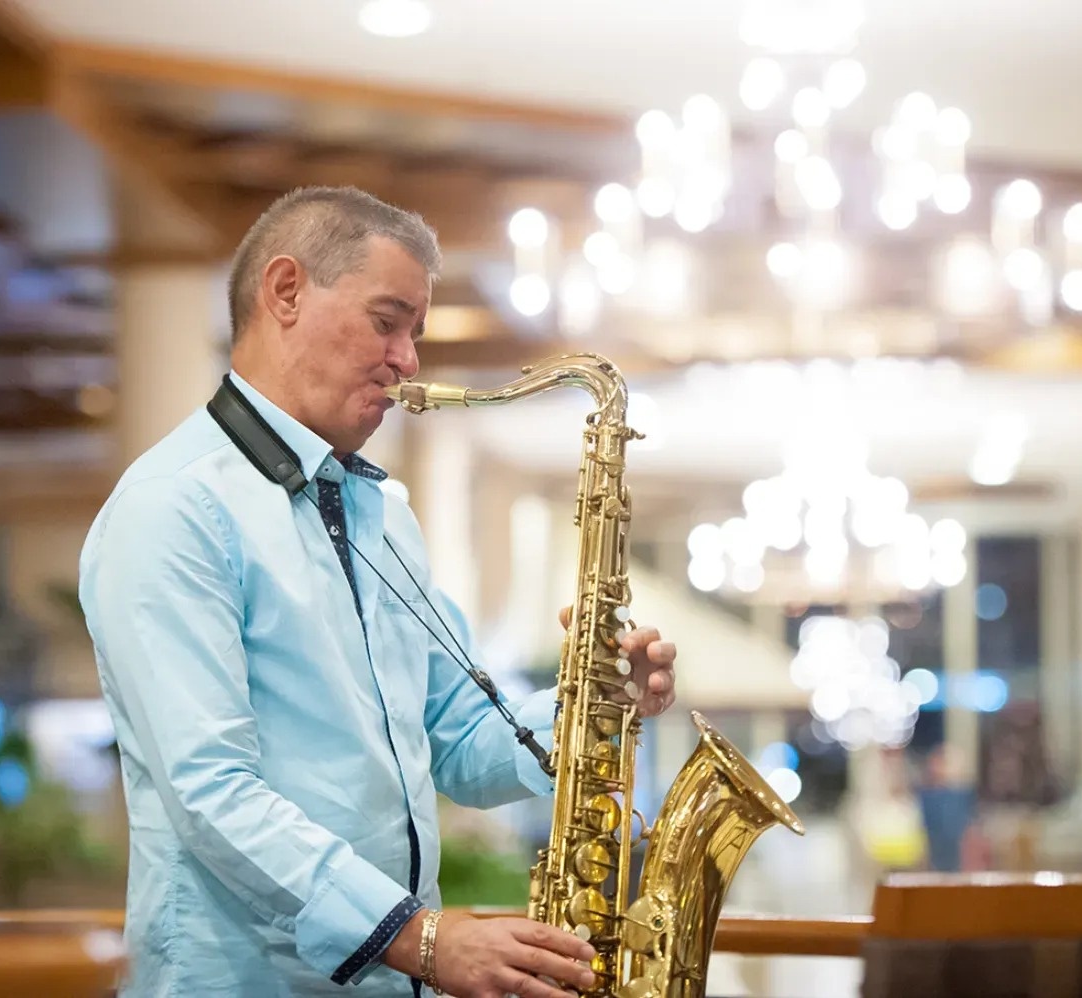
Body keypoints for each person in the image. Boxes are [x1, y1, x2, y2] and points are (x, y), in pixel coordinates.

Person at [78, 186, 679, 998]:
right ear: (285, 291)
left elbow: (460, 741)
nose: (408, 362)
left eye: (415, 333)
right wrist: (415, 937)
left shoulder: (383, 513)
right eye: (386, 321)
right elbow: (211, 793)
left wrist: (594, 704)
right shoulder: (172, 507)